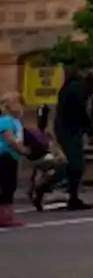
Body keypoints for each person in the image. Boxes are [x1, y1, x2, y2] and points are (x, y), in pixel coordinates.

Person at [55, 60, 93, 211]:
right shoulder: (78, 86)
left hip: (64, 127)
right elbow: (80, 110)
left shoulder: (67, 85)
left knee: (73, 163)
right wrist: (90, 130)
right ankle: (62, 188)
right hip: (71, 129)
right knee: (75, 164)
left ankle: (72, 195)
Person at [0, 92, 30, 228]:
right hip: (5, 156)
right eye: (18, 104)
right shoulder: (5, 120)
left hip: (12, 157)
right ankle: (5, 216)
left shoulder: (15, 121)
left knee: (10, 186)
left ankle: (7, 215)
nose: (21, 108)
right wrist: (22, 149)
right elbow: (10, 139)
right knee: (6, 186)